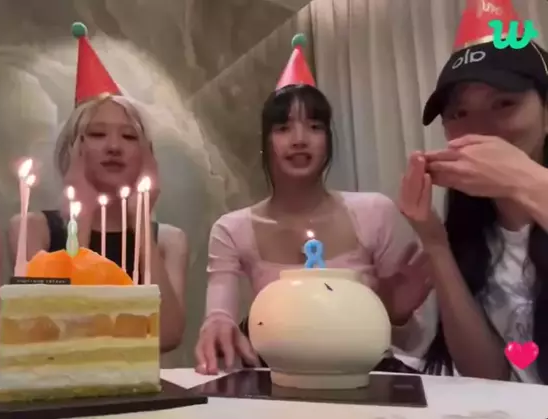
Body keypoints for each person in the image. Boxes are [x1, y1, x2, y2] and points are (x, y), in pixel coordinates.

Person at [194, 34, 437, 375]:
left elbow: (414, 343)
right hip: (280, 383)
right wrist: (217, 325)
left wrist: (396, 316)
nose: (299, 139)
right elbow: (219, 315)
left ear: (328, 140)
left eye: (314, 126)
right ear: (265, 143)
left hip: (366, 380)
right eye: (283, 128)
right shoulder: (232, 230)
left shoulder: (374, 213)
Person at [8, 23, 187, 353]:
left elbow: (167, 336)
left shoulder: (168, 240)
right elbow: (50, 326)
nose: (114, 147)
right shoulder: (32, 230)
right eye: (97, 134)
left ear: (147, 156)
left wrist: (141, 222)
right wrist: (83, 217)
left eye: (129, 136)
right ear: (72, 148)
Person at [399, 0, 548, 384]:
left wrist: (524, 181)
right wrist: (435, 243)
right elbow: (487, 375)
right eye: (459, 114)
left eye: (504, 104)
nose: (479, 129)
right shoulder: (473, 227)